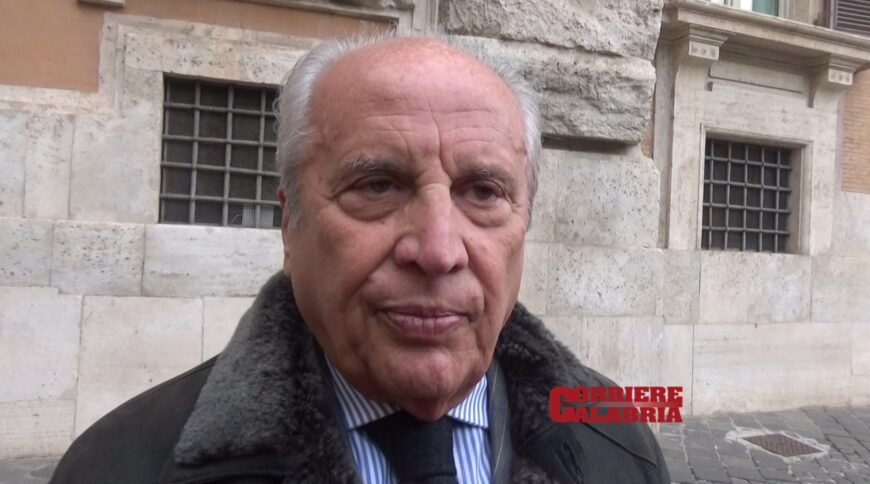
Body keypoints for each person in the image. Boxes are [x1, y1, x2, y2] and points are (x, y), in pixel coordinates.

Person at [50, 33, 670, 484]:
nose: (437, 251)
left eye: (482, 193)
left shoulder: (619, 438)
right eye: (377, 186)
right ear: (289, 223)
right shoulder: (116, 465)